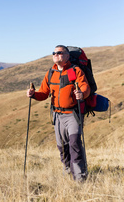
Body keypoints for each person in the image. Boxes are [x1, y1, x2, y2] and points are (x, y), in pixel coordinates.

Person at [27, 45, 90, 181]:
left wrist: (82, 93)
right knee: (62, 146)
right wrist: (33, 94)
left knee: (74, 143)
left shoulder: (75, 70)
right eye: (54, 53)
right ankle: (67, 171)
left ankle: (80, 178)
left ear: (67, 56)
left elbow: (85, 86)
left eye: (60, 52)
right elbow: (44, 93)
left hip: (73, 114)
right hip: (57, 115)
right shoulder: (51, 73)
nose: (56, 54)